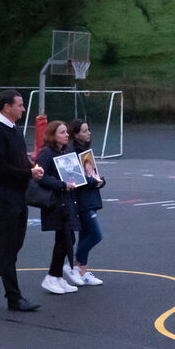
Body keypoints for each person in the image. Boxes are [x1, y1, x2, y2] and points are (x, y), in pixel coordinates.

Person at [0, 89, 44, 312]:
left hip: (18, 192)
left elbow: (19, 159)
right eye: (20, 105)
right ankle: (14, 298)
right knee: (7, 247)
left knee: (14, 244)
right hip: (3, 193)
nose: (23, 109)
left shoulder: (14, 129)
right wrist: (28, 173)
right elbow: (0, 167)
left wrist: (32, 167)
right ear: (7, 107)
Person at [33, 120, 81, 295]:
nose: (67, 135)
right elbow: (40, 176)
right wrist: (61, 184)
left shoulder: (66, 151)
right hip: (55, 201)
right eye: (62, 132)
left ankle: (58, 277)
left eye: (66, 132)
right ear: (52, 135)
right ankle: (52, 276)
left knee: (67, 238)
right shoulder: (46, 153)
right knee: (64, 238)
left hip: (67, 199)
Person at [65, 119, 105, 286]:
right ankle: (74, 265)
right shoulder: (72, 152)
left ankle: (82, 272)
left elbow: (91, 175)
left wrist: (101, 181)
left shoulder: (85, 151)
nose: (89, 133)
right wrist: (92, 181)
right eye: (84, 130)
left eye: (88, 130)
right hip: (81, 201)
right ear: (76, 134)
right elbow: (74, 178)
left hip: (89, 197)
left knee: (85, 235)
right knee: (96, 235)